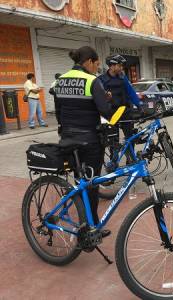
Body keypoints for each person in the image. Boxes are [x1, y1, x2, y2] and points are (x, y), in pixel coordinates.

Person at [54, 46, 113, 237]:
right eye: (96, 64)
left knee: (80, 182)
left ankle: (83, 220)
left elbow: (58, 112)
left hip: (68, 140)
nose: (97, 68)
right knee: (92, 184)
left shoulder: (60, 80)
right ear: (88, 62)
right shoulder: (92, 81)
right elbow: (106, 112)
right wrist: (107, 101)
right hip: (89, 141)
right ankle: (92, 225)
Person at [98, 54, 142, 139]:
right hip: (111, 114)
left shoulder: (123, 78)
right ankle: (115, 152)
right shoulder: (101, 80)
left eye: (122, 66)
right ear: (111, 66)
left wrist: (139, 105)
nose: (122, 68)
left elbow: (131, 92)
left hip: (125, 111)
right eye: (119, 66)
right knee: (113, 141)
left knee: (131, 138)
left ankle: (130, 152)